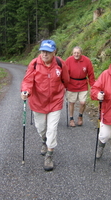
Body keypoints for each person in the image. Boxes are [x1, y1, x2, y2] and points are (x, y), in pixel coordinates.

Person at [21, 40, 70, 171]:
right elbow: (28, 80)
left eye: (48, 52)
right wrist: (25, 91)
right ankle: (44, 140)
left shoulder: (60, 63)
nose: (44, 54)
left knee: (52, 129)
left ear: (54, 52)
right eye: (43, 51)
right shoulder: (34, 64)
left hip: (55, 101)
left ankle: (49, 155)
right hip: (38, 102)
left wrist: (66, 89)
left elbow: (66, 79)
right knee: (41, 128)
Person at [65, 46, 95, 127]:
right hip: (71, 84)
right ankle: (71, 119)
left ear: (81, 53)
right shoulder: (68, 60)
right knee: (72, 102)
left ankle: (80, 116)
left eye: (78, 53)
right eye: (75, 53)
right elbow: (64, 73)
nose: (76, 54)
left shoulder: (87, 61)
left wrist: (93, 86)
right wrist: (64, 84)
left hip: (83, 84)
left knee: (83, 102)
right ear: (72, 53)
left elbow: (91, 74)